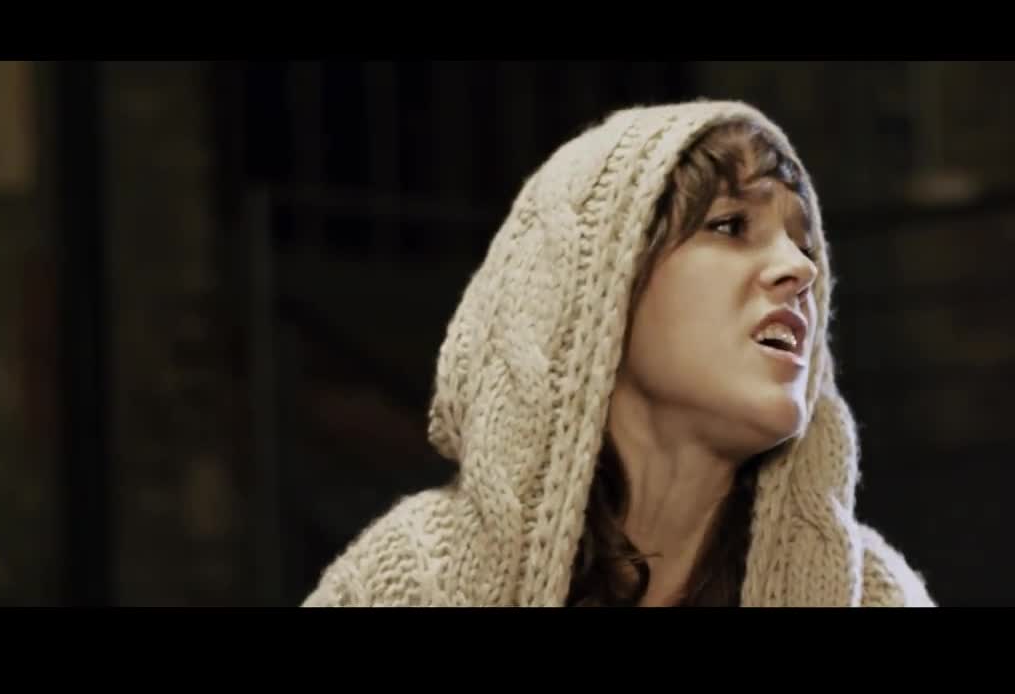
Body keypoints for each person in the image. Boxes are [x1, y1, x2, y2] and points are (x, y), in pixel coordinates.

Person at [301, 99, 936, 606]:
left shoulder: (871, 594)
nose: (800, 269)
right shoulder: (415, 582)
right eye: (730, 225)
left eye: (803, 243)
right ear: (592, 295)